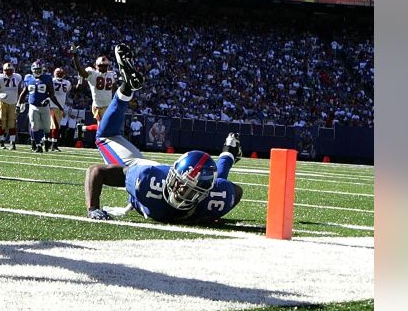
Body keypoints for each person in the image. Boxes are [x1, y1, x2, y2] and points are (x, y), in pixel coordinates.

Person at [84, 44, 244, 224]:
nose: (180, 192)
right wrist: (93, 209)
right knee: (106, 136)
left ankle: (229, 151)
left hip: (169, 178)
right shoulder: (147, 180)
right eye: (180, 185)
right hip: (145, 167)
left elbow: (228, 188)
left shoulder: (212, 197)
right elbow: (95, 171)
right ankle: (125, 87)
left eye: (190, 191)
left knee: (214, 180)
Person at [22, 61, 56, 153]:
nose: (37, 71)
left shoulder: (47, 78)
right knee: (34, 125)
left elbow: (52, 93)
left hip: (44, 107)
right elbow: (24, 92)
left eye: (39, 69)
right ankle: (38, 145)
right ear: (32, 70)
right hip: (33, 106)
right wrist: (19, 104)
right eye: (36, 70)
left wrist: (48, 99)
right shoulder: (28, 78)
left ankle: (46, 140)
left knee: (46, 127)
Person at [0, 61, 22, 149]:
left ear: (13, 70)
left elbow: (20, 91)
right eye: (6, 70)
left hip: (13, 102)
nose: (8, 72)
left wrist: (21, 102)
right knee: (1, 120)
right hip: (2, 101)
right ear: (3, 70)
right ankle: (1, 141)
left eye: (10, 70)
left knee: (12, 122)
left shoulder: (17, 77)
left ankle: (12, 142)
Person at [45, 66, 72, 152]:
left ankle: (50, 143)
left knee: (56, 126)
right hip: (52, 106)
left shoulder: (67, 82)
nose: (60, 74)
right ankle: (53, 145)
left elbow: (68, 92)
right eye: (58, 73)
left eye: (61, 73)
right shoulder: (51, 81)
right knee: (55, 126)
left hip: (60, 106)